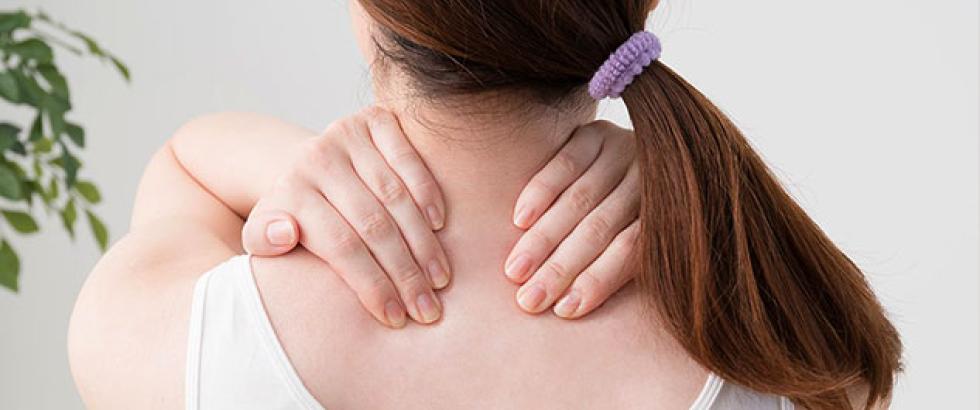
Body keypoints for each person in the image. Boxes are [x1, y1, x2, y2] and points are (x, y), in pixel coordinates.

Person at [68, 0, 902, 409]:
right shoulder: (791, 342)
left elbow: (179, 171)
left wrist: (297, 159)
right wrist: (691, 196)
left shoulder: (171, 342)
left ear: (371, 16)